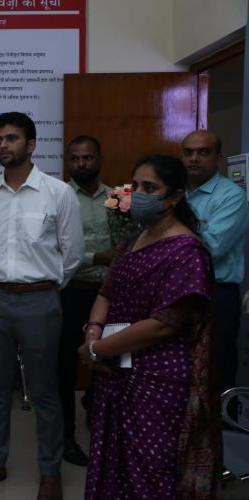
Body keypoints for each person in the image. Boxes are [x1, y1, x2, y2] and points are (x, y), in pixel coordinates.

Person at [81, 155, 221, 500]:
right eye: (136, 186)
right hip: (115, 372)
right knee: (115, 463)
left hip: (158, 379)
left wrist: (98, 350)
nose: (139, 194)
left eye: (150, 188)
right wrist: (93, 333)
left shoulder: (186, 250)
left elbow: (163, 325)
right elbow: (106, 291)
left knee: (152, 469)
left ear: (173, 197)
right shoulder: (135, 241)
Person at [0, 112, 84, 500]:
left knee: (46, 391)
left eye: (12, 138)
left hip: (39, 301)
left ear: (31, 145)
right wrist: (5, 281)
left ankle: (49, 470)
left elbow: (73, 254)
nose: (3, 145)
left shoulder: (58, 193)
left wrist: (44, 287)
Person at [59, 135, 119, 467]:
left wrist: (119, 257)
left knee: (108, 360)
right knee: (66, 366)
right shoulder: (59, 198)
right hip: (72, 291)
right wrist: (100, 257)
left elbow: (127, 243)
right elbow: (57, 253)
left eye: (88, 158)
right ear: (68, 162)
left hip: (110, 295)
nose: (82, 164)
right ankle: (65, 436)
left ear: (99, 159)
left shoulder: (118, 198)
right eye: (75, 159)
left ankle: (98, 414)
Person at [182, 130, 249, 393]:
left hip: (217, 294)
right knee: (182, 367)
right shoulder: (175, 193)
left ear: (218, 157)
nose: (194, 158)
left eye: (203, 152)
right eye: (188, 152)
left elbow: (211, 248)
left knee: (217, 368)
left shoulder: (231, 195)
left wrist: (170, 241)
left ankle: (222, 431)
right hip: (179, 293)